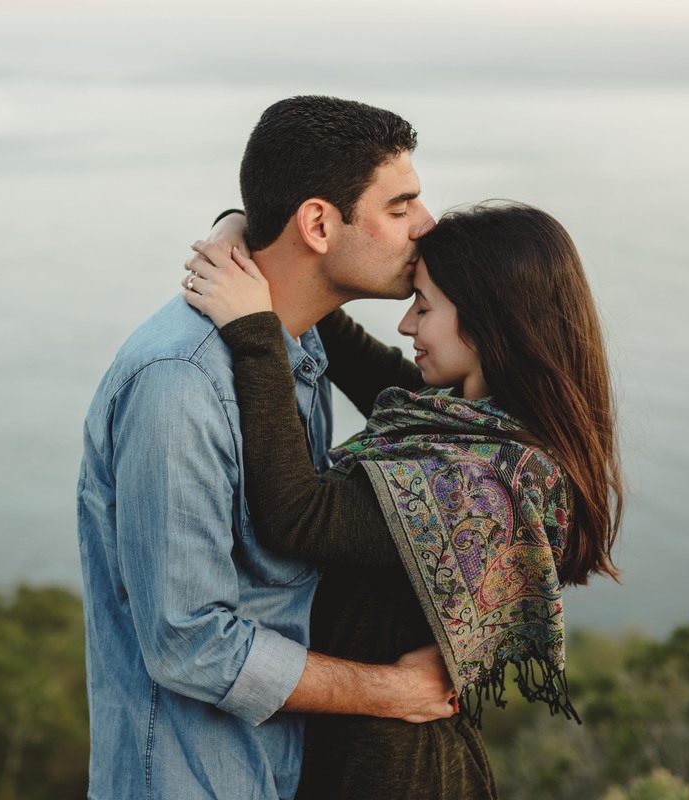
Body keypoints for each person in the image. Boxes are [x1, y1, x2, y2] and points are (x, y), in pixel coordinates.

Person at [76, 95, 457, 800]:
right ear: (319, 224)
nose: (426, 224)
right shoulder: (182, 383)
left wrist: (233, 225)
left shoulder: (293, 343)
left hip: (273, 771)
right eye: (401, 206)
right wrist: (392, 690)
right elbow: (188, 641)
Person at [182, 201, 623, 799]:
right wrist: (246, 234)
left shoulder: (483, 483)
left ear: (489, 322)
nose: (406, 324)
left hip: (390, 772)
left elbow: (298, 515)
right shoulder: (467, 419)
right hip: (368, 752)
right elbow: (348, 347)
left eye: (424, 305)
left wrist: (255, 333)